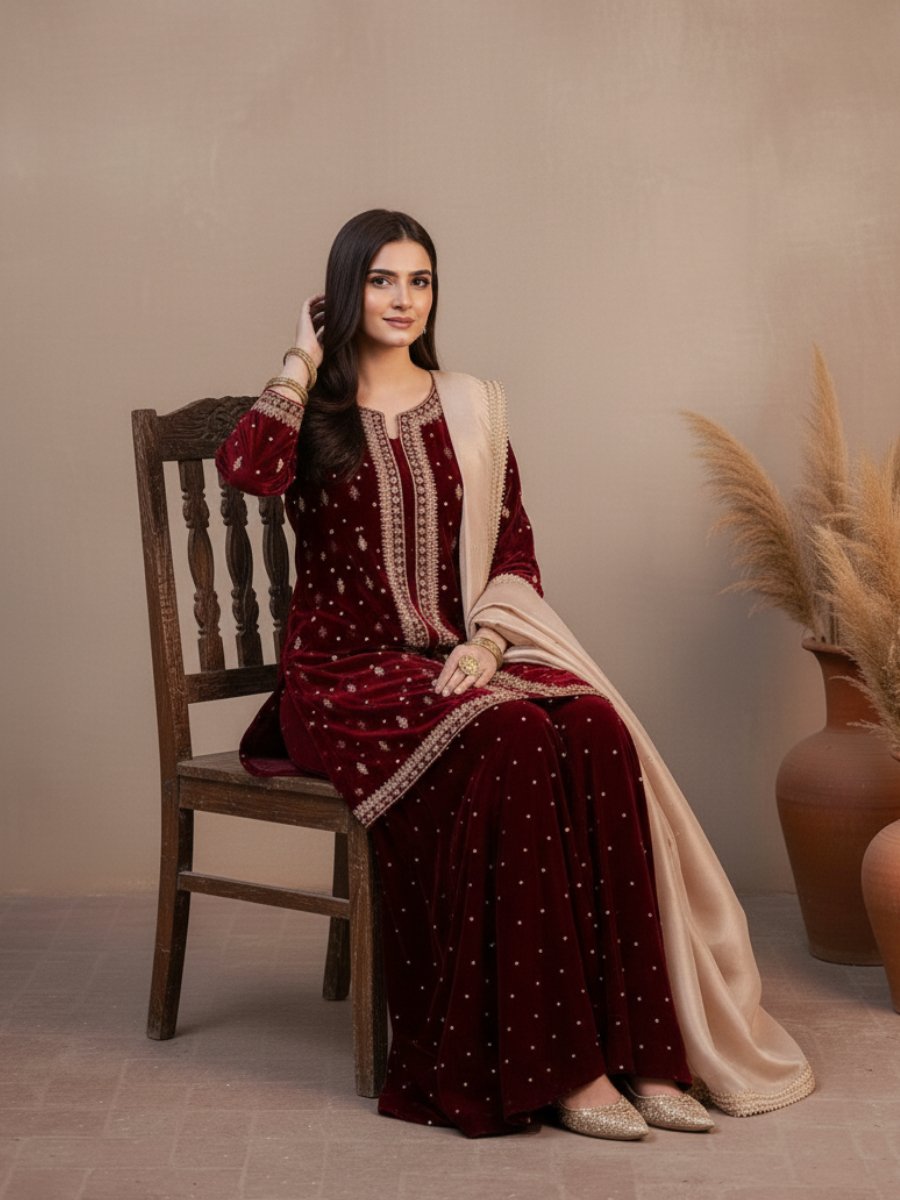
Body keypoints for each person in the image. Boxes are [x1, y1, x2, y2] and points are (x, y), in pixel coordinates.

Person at [215, 209, 814, 1139]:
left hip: (448, 662)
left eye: (419, 280)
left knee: (595, 725)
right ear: (343, 291)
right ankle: (561, 1071)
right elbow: (246, 471)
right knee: (514, 732)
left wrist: (488, 646)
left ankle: (643, 1053)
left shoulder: (468, 409)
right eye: (380, 280)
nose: (404, 299)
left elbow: (514, 551)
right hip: (341, 683)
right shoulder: (310, 416)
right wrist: (302, 355)